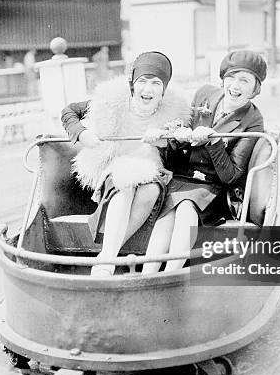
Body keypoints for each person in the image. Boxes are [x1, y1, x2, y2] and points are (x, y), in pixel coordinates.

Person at [61, 51, 190, 277]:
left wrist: (165, 144)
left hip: (153, 173)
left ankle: (107, 255)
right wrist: (81, 133)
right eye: (142, 82)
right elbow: (69, 111)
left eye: (155, 83)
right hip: (116, 167)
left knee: (149, 190)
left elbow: (179, 156)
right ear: (132, 84)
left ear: (164, 90)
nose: (147, 90)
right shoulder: (112, 102)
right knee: (125, 182)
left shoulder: (174, 114)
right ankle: (108, 261)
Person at [142, 49, 267, 273]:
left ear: (255, 89)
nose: (235, 86)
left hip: (214, 189)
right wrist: (173, 135)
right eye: (231, 77)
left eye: (244, 80)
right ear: (222, 79)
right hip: (182, 179)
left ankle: (171, 276)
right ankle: (146, 276)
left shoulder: (253, 120)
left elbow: (231, 176)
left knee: (186, 207)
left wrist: (215, 141)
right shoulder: (204, 94)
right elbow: (181, 139)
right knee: (168, 212)